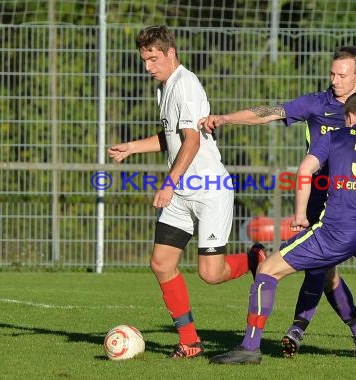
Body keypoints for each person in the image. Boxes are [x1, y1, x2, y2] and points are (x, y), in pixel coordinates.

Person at [200, 46, 356, 358]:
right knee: (327, 274)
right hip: (321, 202)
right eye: (332, 73)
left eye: (342, 75)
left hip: (342, 211)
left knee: (309, 270)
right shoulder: (316, 103)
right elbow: (270, 112)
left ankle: (289, 332)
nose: (335, 80)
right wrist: (227, 118)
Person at [108, 25, 266, 359]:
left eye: (153, 58)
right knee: (161, 263)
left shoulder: (187, 85)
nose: (148, 66)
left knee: (211, 274)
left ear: (170, 53)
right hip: (182, 191)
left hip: (209, 189)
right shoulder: (163, 88)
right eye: (144, 59)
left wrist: (168, 185)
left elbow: (192, 140)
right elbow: (172, 137)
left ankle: (255, 259)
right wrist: (133, 147)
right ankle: (190, 340)